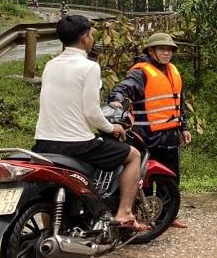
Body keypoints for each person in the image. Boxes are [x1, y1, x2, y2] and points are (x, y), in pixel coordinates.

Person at [33, 15, 150, 231]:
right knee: (133, 155)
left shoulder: (50, 65)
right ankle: (124, 213)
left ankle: (50, 230)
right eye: (91, 35)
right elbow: (92, 113)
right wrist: (111, 127)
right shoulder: (89, 67)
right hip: (76, 144)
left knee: (49, 190)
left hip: (43, 142)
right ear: (86, 38)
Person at [108, 32, 191, 228]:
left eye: (170, 50)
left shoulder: (173, 71)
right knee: (142, 178)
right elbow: (122, 89)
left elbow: (177, 102)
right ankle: (138, 215)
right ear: (151, 51)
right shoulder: (141, 73)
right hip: (146, 135)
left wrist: (183, 127)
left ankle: (167, 216)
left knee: (170, 177)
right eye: (162, 49)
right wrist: (118, 101)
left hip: (169, 135)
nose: (166, 53)